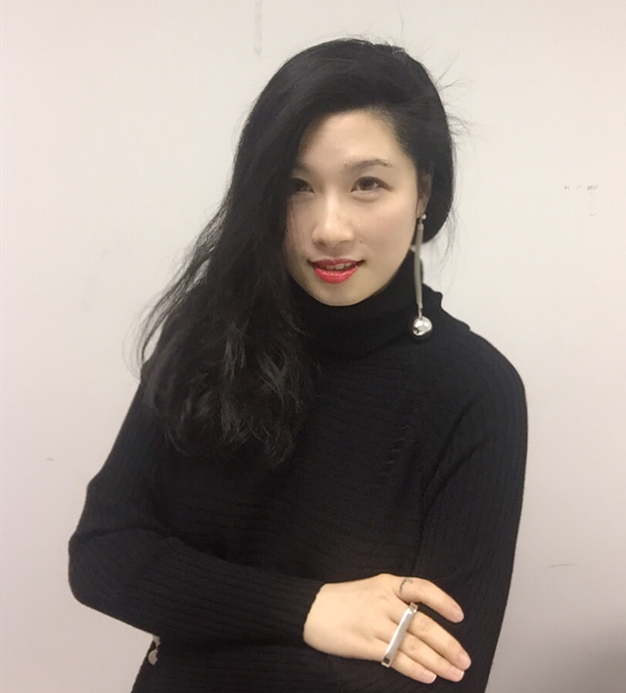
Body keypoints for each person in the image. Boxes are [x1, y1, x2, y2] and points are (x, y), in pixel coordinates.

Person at [68, 38, 527, 692]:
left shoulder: (475, 391)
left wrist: (196, 621)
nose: (329, 228)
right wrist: (312, 611)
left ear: (423, 190)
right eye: (296, 186)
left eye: (367, 184)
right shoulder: (210, 331)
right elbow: (102, 554)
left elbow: (442, 673)